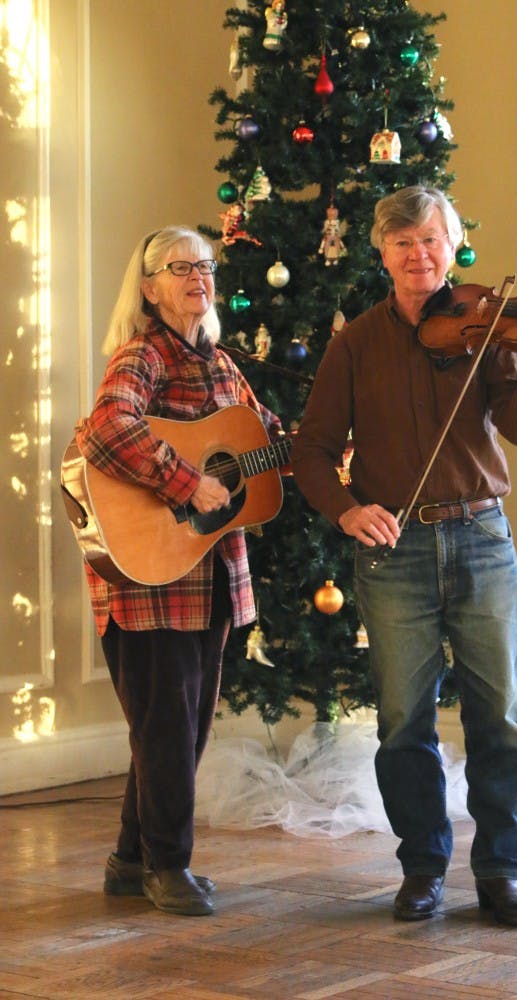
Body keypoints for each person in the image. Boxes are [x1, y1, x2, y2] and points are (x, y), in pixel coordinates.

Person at [291, 186, 517, 927]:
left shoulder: (490, 333)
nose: (417, 255)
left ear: (451, 245)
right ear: (381, 253)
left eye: (429, 240)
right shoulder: (355, 343)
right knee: (403, 722)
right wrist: (346, 508)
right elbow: (309, 451)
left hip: (481, 537)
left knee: (498, 714)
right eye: (402, 243)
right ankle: (422, 869)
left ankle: (501, 872)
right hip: (394, 549)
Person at [75, 226, 282, 916]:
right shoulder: (142, 355)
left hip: (210, 570)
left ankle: (130, 862)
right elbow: (106, 428)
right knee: (166, 726)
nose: (198, 276)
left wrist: (322, 445)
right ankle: (168, 866)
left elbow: (265, 436)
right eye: (179, 266)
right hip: (149, 577)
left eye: (205, 265)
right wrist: (185, 482)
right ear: (148, 287)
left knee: (180, 726)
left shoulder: (222, 364)